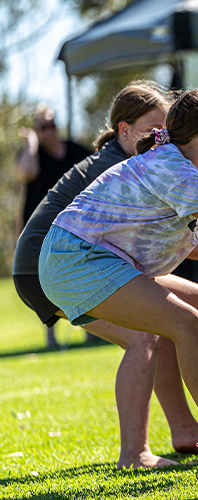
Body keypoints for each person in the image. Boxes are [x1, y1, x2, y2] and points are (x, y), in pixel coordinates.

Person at [38, 88, 198, 477]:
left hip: (103, 258)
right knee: (187, 322)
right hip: (74, 261)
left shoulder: (195, 168)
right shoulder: (171, 167)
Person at [16, 106, 92, 348]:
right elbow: (27, 172)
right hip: (40, 231)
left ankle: (92, 331)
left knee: (79, 277)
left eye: (50, 125)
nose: (47, 131)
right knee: (45, 282)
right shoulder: (33, 154)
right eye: (41, 127)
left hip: (74, 227)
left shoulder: (74, 151)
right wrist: (30, 141)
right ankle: (51, 336)